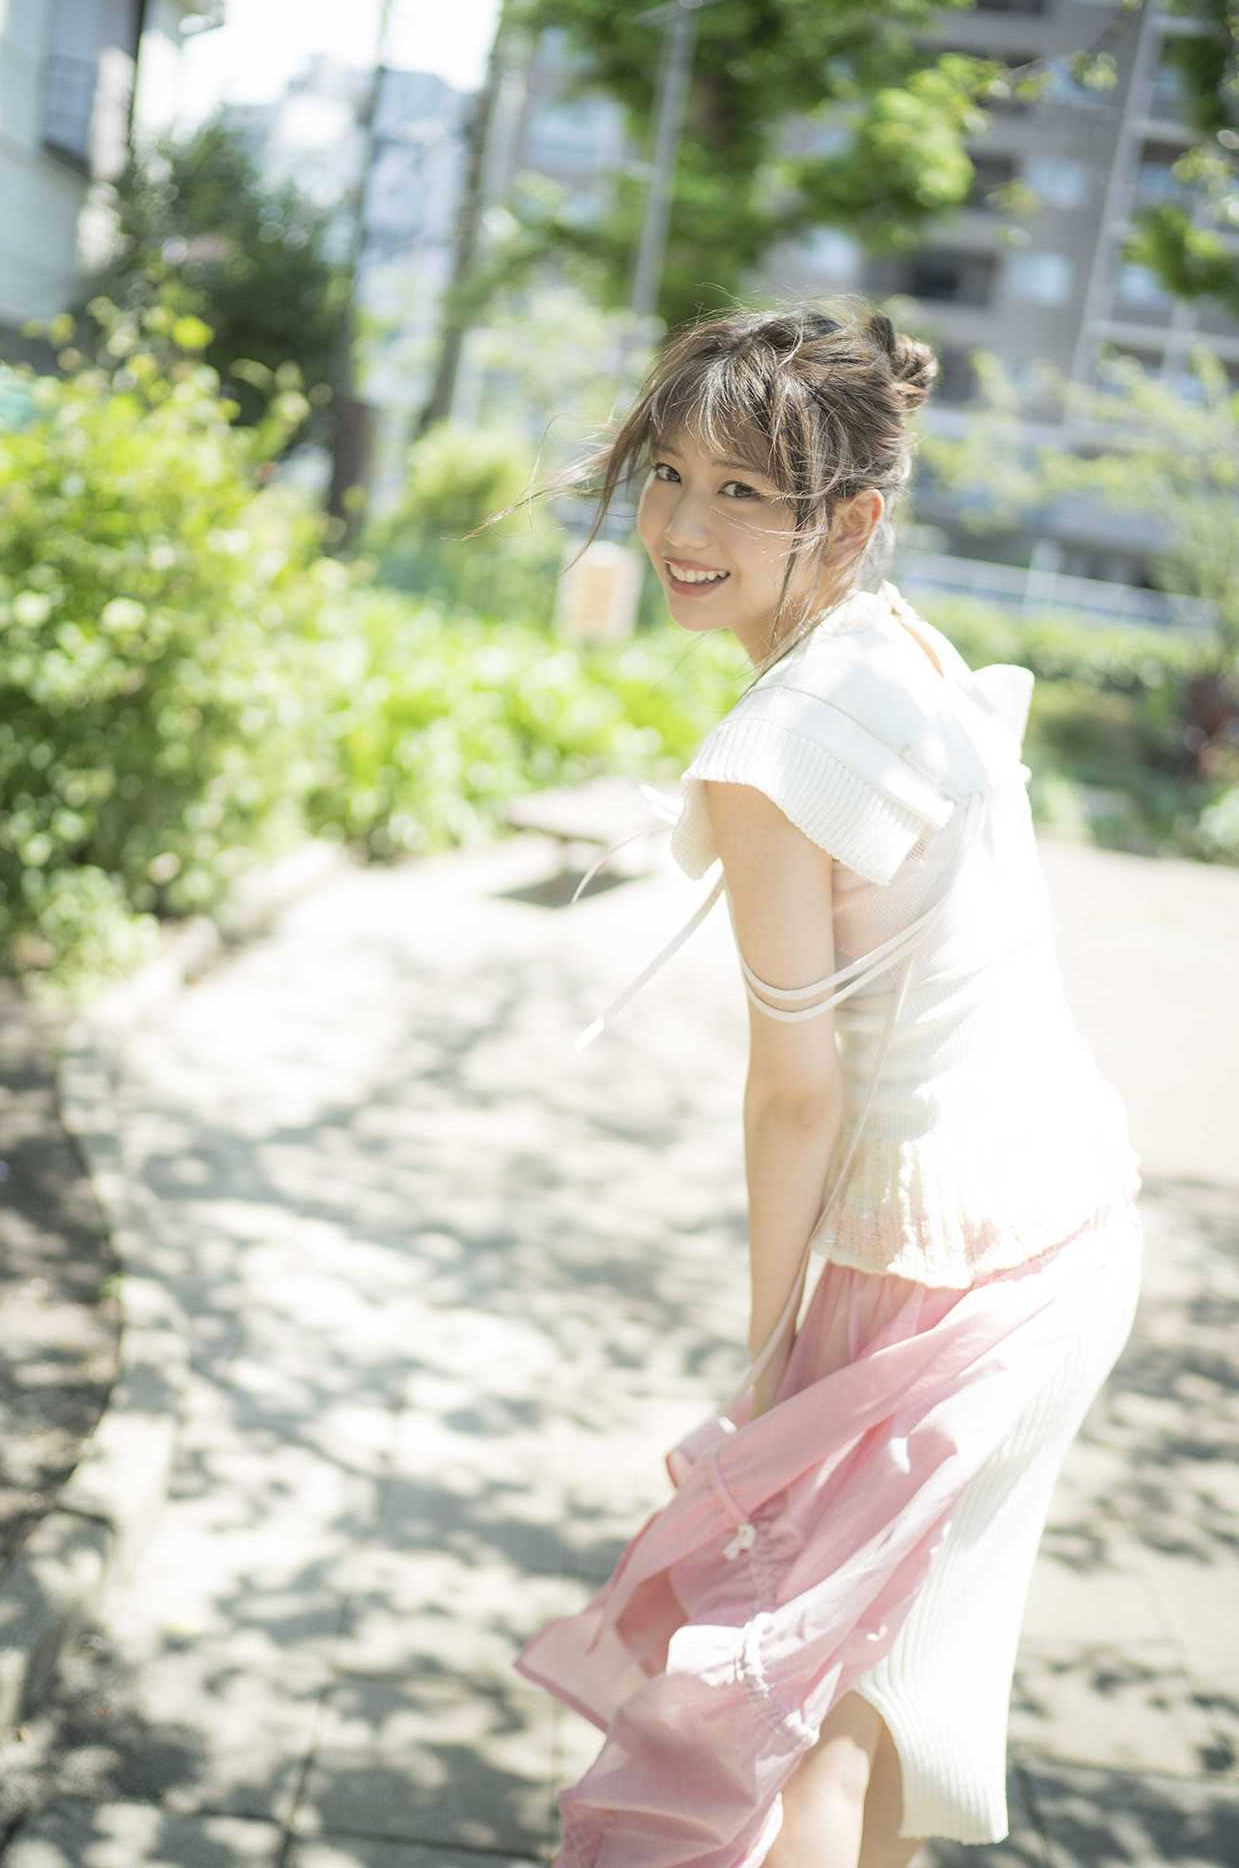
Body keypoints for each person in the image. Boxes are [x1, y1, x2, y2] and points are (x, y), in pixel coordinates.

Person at [495, 296, 1145, 1868]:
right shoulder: (902, 648)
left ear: (848, 522)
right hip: (1074, 1229)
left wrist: (769, 1361)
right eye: (669, 473)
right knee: (889, 1710)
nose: (680, 527)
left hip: (937, 1271)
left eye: (741, 492)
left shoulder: (778, 749)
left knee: (805, 1744)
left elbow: (796, 1094)